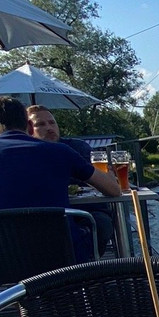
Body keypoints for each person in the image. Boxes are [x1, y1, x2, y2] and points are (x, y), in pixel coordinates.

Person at [0, 95, 121, 259]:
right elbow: (113, 190)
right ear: (29, 126)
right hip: (64, 255)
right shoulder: (61, 152)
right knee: (96, 226)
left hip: (7, 260)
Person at [26, 104, 115, 254]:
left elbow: (103, 182)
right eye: (40, 124)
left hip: (88, 209)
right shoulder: (26, 154)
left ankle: (90, 263)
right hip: (48, 215)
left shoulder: (77, 147)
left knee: (101, 223)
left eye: (52, 122)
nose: (49, 128)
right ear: (29, 129)